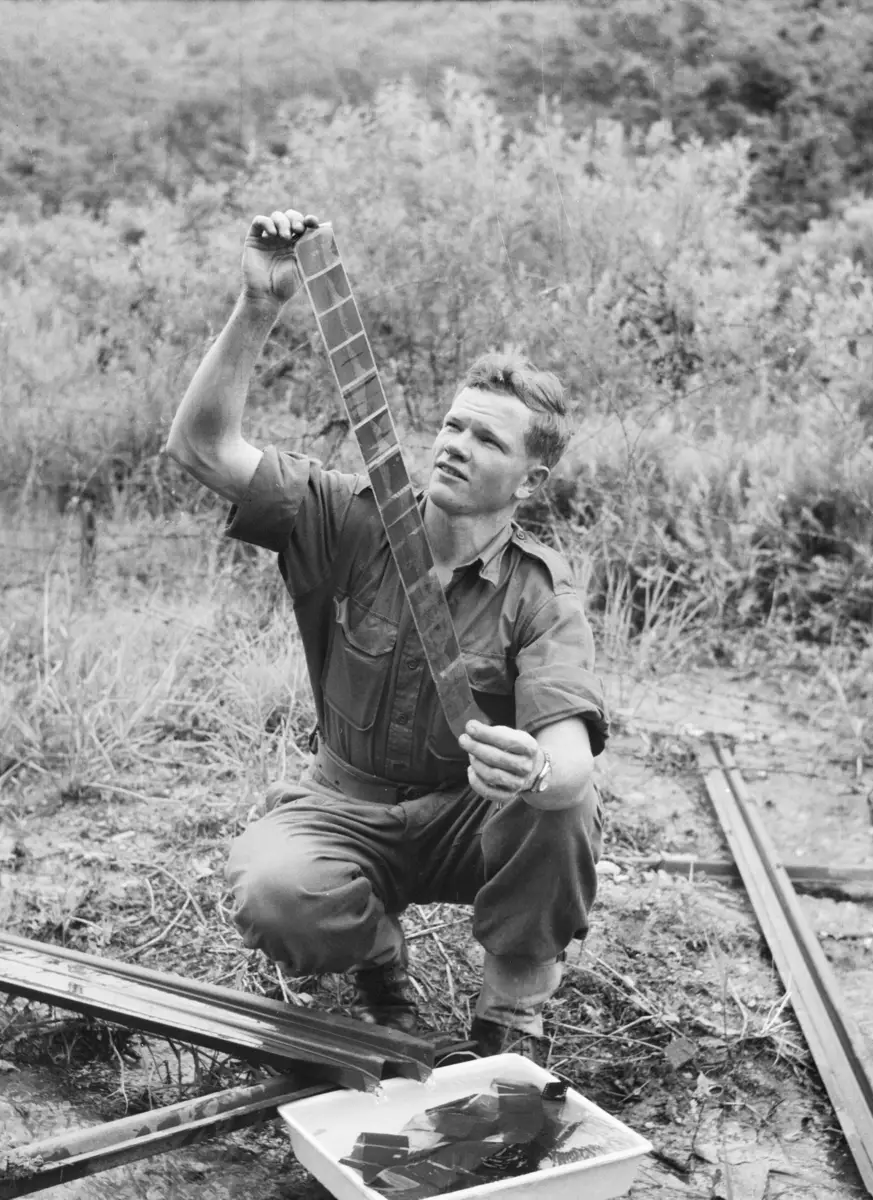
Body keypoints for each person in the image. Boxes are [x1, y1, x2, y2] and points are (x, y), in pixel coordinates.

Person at [165, 207, 608, 1062]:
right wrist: (258, 305)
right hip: (346, 805)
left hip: (467, 818)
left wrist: (535, 770)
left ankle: (512, 1013)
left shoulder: (540, 592)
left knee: (564, 808)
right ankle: (379, 962)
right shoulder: (349, 516)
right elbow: (200, 447)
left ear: (531, 480)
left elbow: (571, 760)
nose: (456, 445)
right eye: (452, 425)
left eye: (487, 439)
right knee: (274, 889)